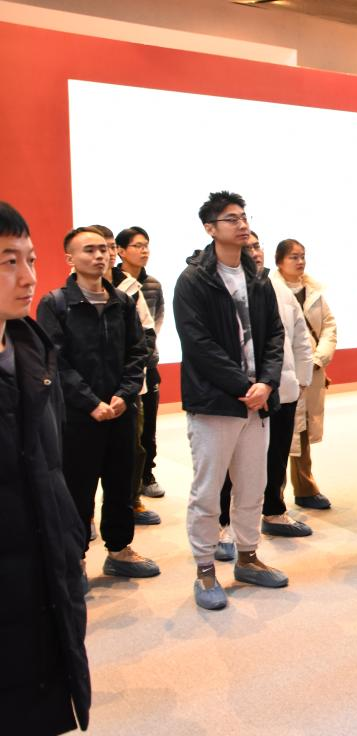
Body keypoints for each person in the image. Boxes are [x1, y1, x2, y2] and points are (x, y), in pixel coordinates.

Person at [0, 201, 91, 734]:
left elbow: (50, 466)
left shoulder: (33, 351)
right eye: (8, 262)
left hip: (43, 567)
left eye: (30, 259)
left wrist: (67, 538)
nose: (28, 277)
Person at [174, 190, 288, 610]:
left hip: (258, 401)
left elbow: (274, 334)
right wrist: (245, 385)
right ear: (210, 228)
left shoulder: (257, 277)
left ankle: (248, 557)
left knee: (252, 485)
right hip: (215, 402)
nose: (242, 224)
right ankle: (205, 569)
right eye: (231, 219)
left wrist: (268, 383)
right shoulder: (194, 280)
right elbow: (198, 344)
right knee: (208, 492)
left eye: (244, 217)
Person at [37, 226, 160, 584]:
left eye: (103, 250)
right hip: (78, 415)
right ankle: (74, 559)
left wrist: (124, 394)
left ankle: (119, 550)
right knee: (78, 489)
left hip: (121, 410)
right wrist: (91, 403)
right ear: (70, 258)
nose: (99, 256)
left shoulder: (122, 301)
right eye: (89, 250)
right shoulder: (56, 303)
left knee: (122, 484)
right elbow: (55, 361)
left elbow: (138, 351)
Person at [217, 231, 314, 552]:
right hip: (239, 395)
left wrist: (301, 379)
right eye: (247, 247)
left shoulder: (278, 289)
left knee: (276, 456)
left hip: (280, 390)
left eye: (257, 246)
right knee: (229, 464)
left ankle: (273, 511)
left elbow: (299, 336)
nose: (254, 252)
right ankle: (222, 525)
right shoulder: (221, 288)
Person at [94, 225, 161, 528]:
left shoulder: (130, 288)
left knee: (132, 449)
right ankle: (85, 516)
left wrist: (128, 381)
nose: (105, 254)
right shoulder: (64, 297)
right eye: (98, 248)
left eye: (109, 247)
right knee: (87, 455)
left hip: (130, 387)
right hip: (89, 391)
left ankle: (131, 503)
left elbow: (146, 336)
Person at [271, 238, 337, 511]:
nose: (300, 261)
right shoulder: (270, 289)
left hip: (311, 371)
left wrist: (318, 359)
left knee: (304, 432)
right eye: (293, 257)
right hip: (283, 373)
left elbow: (329, 327)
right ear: (279, 261)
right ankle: (273, 497)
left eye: (302, 256)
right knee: (280, 437)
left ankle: (306, 489)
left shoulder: (314, 290)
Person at [116, 226, 168, 500]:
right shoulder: (113, 283)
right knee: (130, 430)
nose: (144, 250)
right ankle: (129, 486)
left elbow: (156, 321)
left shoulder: (153, 284)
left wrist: (145, 352)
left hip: (150, 363)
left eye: (146, 245)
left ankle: (147, 475)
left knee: (149, 428)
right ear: (121, 251)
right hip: (125, 367)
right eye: (137, 245)